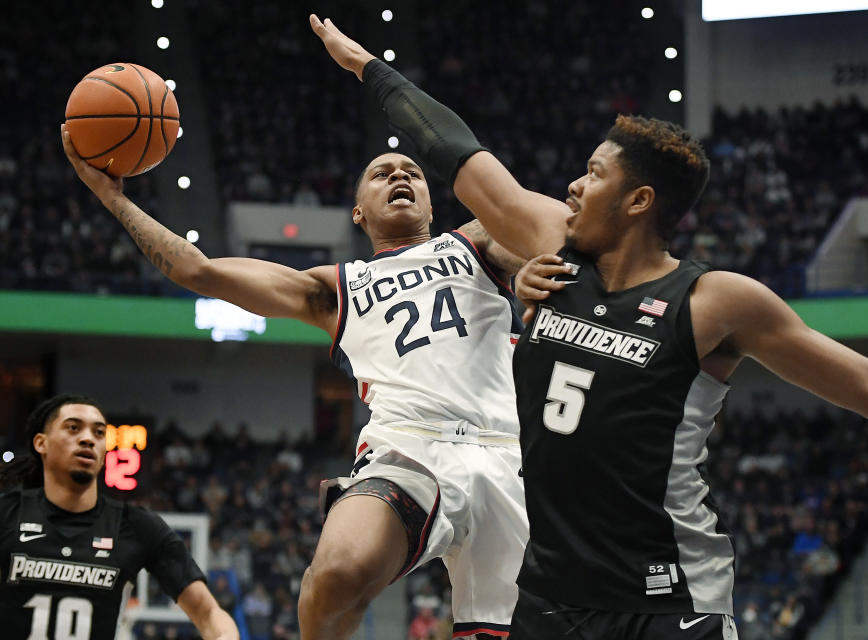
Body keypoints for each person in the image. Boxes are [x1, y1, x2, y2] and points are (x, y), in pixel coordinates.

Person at [311, 16, 868, 640]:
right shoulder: (550, 250)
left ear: (638, 201)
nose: (571, 186)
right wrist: (367, 67)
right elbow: (456, 152)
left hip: (671, 596)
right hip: (557, 597)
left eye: (594, 175)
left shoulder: (714, 301)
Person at [61, 122, 528, 637]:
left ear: (431, 204)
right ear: (358, 212)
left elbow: (550, 235)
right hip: (411, 449)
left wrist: (536, 270)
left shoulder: (474, 244)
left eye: (412, 172)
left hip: (512, 456)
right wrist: (113, 199)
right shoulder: (336, 287)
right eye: (382, 174)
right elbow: (200, 272)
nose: (400, 175)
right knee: (333, 577)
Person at [0, 394, 238, 640]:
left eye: (99, 433)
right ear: (42, 443)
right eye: (73, 428)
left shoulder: (137, 526)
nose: (88, 439)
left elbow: (208, 612)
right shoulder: (7, 514)